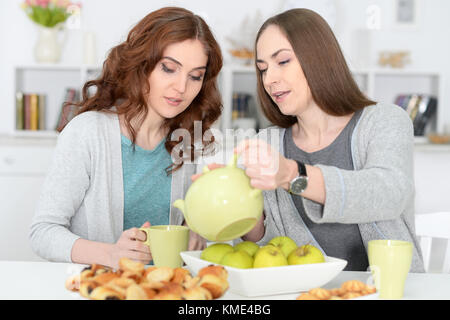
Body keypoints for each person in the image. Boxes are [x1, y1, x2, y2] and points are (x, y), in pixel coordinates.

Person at [232, 8, 424, 272]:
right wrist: (236, 201)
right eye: (263, 69)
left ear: (319, 59)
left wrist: (293, 174)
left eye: (283, 61)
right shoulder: (269, 142)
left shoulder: (384, 121)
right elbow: (265, 244)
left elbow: (389, 193)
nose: (270, 79)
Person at [30, 7, 223, 269]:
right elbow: (43, 233)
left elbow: (195, 223)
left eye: (195, 76)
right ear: (142, 65)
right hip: (100, 290)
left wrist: (195, 229)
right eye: (168, 69)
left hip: (164, 290)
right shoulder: (88, 132)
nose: (181, 87)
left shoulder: (191, 140)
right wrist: (110, 254)